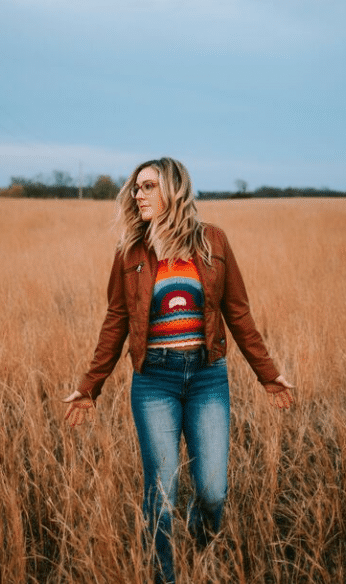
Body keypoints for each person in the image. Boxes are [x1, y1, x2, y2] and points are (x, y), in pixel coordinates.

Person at [62, 157, 295, 584]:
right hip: (154, 381)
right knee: (162, 491)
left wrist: (268, 374)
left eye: (148, 186)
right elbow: (115, 321)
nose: (138, 194)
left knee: (212, 491)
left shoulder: (213, 243)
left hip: (207, 377)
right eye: (136, 188)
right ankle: (163, 575)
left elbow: (238, 313)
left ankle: (199, 538)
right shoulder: (130, 253)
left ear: (173, 190)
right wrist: (89, 386)